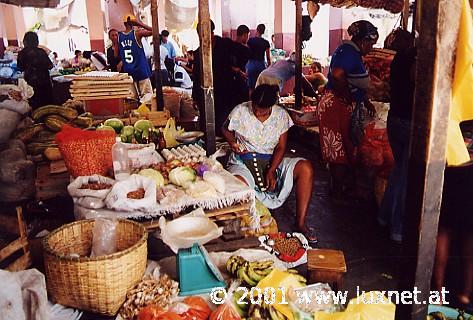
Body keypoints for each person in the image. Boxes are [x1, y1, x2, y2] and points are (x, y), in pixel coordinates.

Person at [222, 84, 317, 243]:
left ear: (272, 106)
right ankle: (252, 225)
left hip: (271, 159)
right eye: (255, 108)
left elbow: (281, 147)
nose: (258, 113)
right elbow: (225, 128)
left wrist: (272, 170)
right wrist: (233, 143)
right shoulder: (240, 110)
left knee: (305, 168)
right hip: (243, 161)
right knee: (238, 184)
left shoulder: (281, 116)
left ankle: (300, 223)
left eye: (263, 111)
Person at [317, 20, 377, 202]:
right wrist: (347, 97)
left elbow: (350, 80)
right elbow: (337, 75)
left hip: (339, 104)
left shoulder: (351, 51)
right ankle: (337, 192)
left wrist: (363, 100)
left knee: (345, 146)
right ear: (364, 40)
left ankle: (338, 187)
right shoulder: (349, 52)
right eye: (371, 44)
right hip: (335, 106)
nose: (372, 48)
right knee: (338, 151)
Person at [378, 30, 416, 243]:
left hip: (395, 120)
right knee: (405, 174)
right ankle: (398, 228)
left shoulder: (397, 60)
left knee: (399, 170)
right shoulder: (414, 60)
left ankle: (384, 216)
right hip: (410, 122)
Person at [433, 162, 473, 312]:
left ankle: (438, 295)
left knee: (443, 231)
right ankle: (465, 294)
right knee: (470, 235)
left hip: (451, 169)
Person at [192, 20, 235, 135]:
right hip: (205, 95)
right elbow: (196, 77)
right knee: (206, 126)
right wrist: (195, 97)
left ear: (212, 33)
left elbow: (244, 54)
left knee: (223, 125)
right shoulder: (198, 53)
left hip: (225, 93)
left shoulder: (225, 45)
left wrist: (236, 68)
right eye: (201, 35)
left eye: (206, 33)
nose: (204, 37)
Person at [118, 14, 153, 98]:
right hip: (141, 71)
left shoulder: (119, 36)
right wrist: (140, 23)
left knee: (133, 101)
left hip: (129, 72)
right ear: (133, 23)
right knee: (147, 99)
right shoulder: (137, 33)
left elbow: (117, 54)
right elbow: (154, 31)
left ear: (124, 23)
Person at [17, 31, 53, 109]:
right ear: (36, 41)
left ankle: (36, 119)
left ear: (25, 41)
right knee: (47, 105)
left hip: (30, 83)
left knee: (35, 105)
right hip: (45, 82)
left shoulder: (22, 53)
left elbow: (20, 67)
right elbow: (50, 66)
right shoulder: (41, 52)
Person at [246, 24, 271, 92]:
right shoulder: (266, 43)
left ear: (256, 30)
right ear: (263, 32)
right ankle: (259, 102)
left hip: (251, 65)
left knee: (251, 88)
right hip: (261, 65)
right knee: (260, 86)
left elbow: (246, 53)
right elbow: (268, 58)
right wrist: (269, 67)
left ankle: (251, 102)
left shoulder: (250, 41)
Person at [231, 24, 250, 106]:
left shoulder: (229, 46)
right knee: (243, 104)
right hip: (241, 79)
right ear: (245, 35)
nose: (248, 38)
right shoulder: (245, 50)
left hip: (230, 81)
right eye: (248, 36)